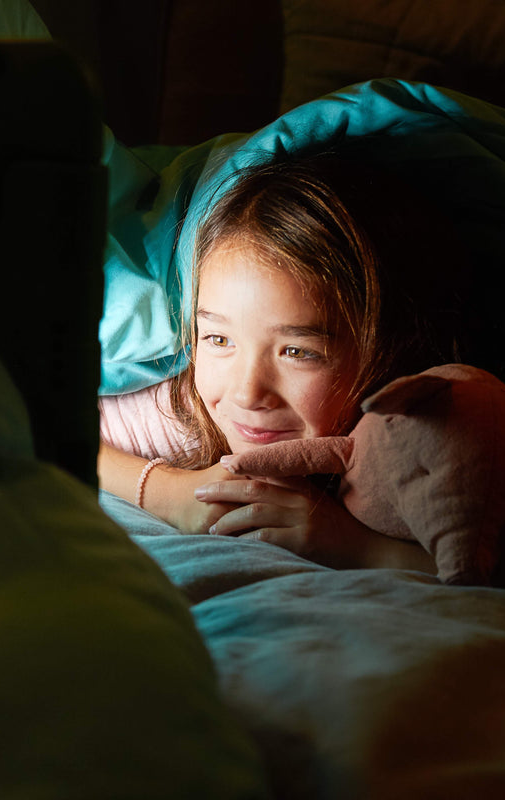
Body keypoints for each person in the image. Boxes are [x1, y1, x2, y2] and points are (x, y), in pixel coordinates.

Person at [98, 151, 473, 572]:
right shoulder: (188, 414)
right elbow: (42, 429)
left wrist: (358, 546)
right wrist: (169, 492)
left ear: (391, 349)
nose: (246, 393)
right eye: (219, 339)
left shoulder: (436, 437)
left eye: (298, 352)